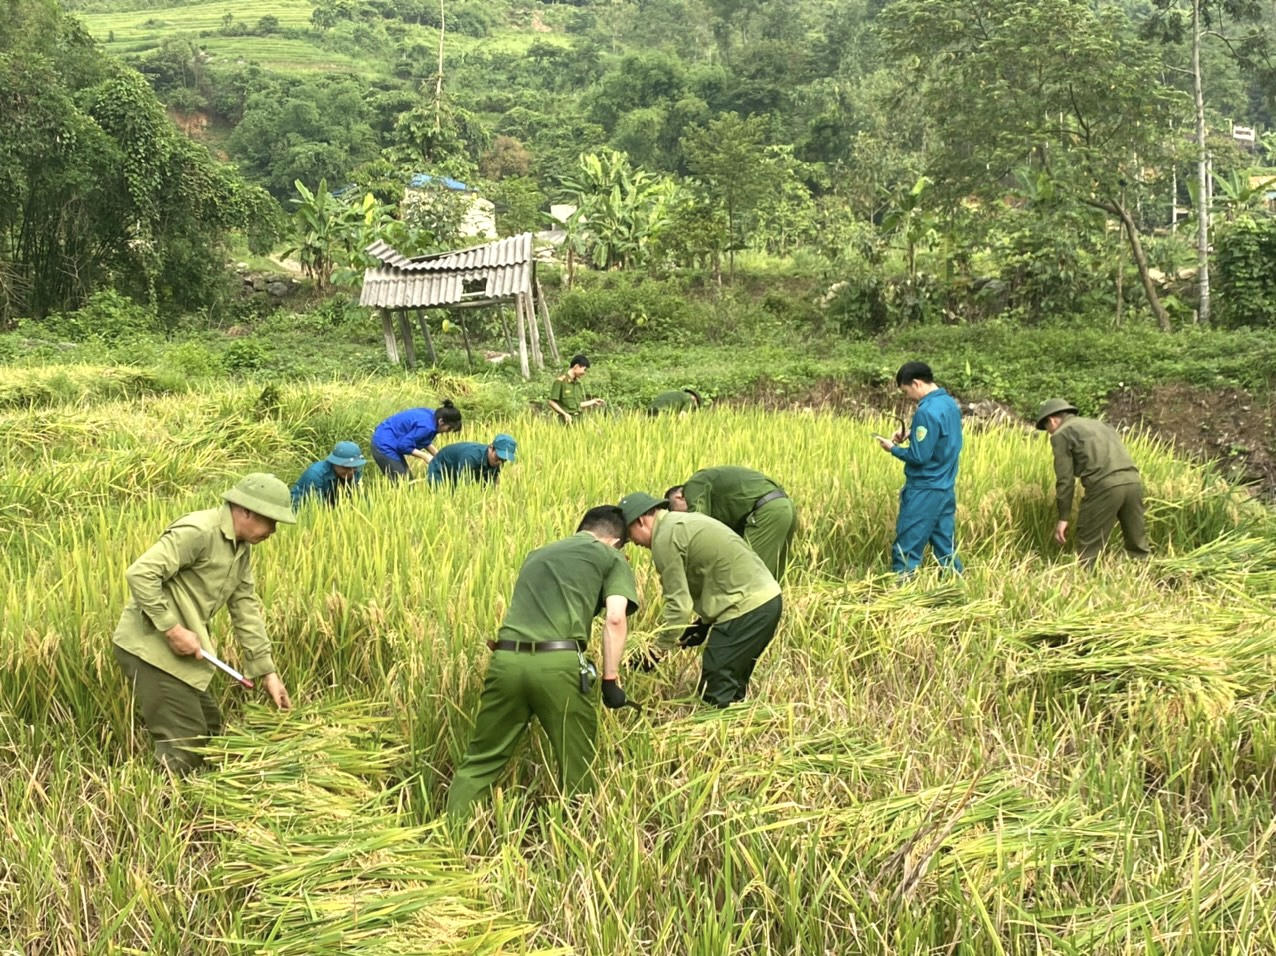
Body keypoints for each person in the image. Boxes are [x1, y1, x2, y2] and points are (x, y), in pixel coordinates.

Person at [446, 505, 639, 818]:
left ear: (582, 528)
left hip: (506, 659)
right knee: (578, 764)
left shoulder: (537, 554)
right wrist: (610, 679)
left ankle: (452, 833)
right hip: (558, 665)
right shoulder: (610, 556)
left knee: (481, 760)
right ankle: (579, 837)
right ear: (616, 541)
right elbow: (615, 618)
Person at [112, 474, 295, 774]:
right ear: (245, 510)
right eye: (270, 520)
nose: (273, 530)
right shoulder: (199, 531)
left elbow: (245, 608)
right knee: (187, 743)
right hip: (151, 648)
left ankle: (194, 789)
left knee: (210, 729)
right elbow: (141, 574)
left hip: (180, 654)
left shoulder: (240, 549)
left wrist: (267, 673)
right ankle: (165, 798)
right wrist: (172, 629)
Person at [620, 491, 782, 708]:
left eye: (629, 534)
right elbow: (716, 572)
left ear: (640, 521)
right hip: (767, 600)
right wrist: (703, 624)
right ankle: (736, 720)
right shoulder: (681, 523)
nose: (632, 542)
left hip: (746, 607)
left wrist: (656, 651)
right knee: (732, 682)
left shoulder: (664, 539)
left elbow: (679, 606)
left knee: (716, 680)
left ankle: (716, 723)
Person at [1035, 398, 1152, 564]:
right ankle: (1144, 571)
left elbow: (1065, 480)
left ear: (1052, 420)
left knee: (1089, 546)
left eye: (1047, 428)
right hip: (1133, 482)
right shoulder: (1102, 425)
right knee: (1138, 544)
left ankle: (1087, 576)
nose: (1049, 433)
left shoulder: (1062, 433)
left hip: (1104, 486)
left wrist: (1063, 518)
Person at [875, 361, 964, 574]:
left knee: (906, 547)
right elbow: (941, 437)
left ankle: (903, 589)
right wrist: (911, 433)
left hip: (924, 489)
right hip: (944, 487)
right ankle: (956, 585)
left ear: (916, 383)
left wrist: (893, 449)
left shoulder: (926, 411)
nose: (908, 397)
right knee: (945, 547)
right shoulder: (949, 403)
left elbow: (919, 456)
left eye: (906, 392)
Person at [665, 465, 796, 581]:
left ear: (678, 497)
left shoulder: (694, 484)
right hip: (784, 506)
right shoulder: (718, 503)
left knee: (746, 579)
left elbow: (698, 525)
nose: (684, 518)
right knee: (771, 583)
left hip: (768, 511)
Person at [370, 400, 462, 481]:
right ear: (441, 421)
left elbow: (423, 440)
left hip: (388, 436)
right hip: (384, 445)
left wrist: (439, 457)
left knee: (406, 480)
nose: (447, 432)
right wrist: (425, 456)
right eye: (449, 428)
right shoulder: (427, 427)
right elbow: (403, 446)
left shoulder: (433, 415)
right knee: (404, 484)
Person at [291, 440, 367, 508]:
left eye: (354, 467)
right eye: (346, 467)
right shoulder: (315, 475)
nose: (351, 472)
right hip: (302, 509)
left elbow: (355, 500)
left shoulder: (355, 472)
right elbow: (316, 508)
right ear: (335, 463)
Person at [427, 433, 517, 486]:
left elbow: (492, 483)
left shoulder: (496, 461)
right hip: (440, 468)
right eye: (498, 457)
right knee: (443, 498)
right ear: (491, 448)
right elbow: (463, 487)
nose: (500, 462)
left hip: (457, 470)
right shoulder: (471, 459)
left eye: (504, 460)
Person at [548, 354, 605, 424]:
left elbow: (577, 405)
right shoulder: (560, 382)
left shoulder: (578, 384)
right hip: (565, 421)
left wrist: (593, 401)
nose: (584, 373)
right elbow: (552, 402)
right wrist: (564, 414)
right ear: (576, 367)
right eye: (584, 370)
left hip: (579, 420)